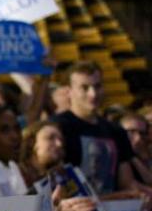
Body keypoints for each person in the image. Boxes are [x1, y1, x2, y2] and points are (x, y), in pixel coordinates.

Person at [54, 61, 151, 197]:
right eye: (84, 87)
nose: (93, 94)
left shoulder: (116, 131)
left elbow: (127, 183)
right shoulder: (58, 127)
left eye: (97, 86)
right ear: (69, 91)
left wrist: (142, 194)